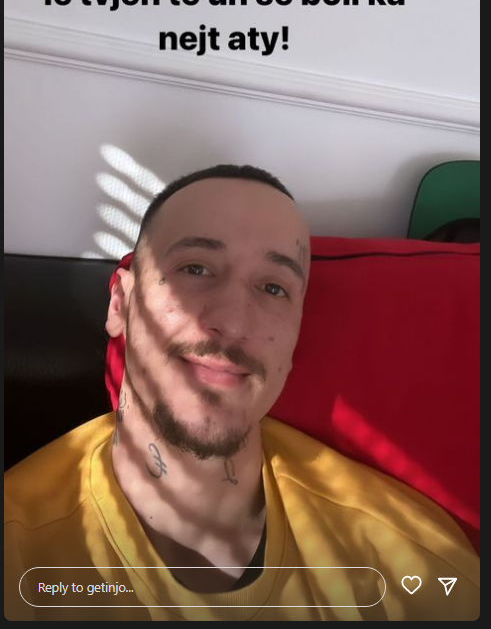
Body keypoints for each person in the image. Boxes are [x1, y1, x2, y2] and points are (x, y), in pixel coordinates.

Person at [4, 165, 480, 621]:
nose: (233, 323)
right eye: (195, 268)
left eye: (273, 288)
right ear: (120, 304)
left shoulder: (416, 564)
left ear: (294, 338)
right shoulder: (19, 552)